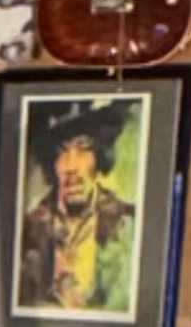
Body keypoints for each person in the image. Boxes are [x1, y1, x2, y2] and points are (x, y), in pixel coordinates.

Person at [18, 111, 134, 315]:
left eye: (83, 149)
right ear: (52, 164)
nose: (71, 166)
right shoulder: (27, 229)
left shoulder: (128, 224)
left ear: (99, 157)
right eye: (62, 152)